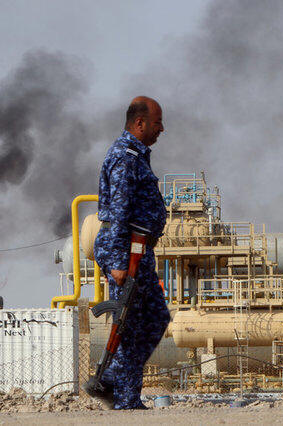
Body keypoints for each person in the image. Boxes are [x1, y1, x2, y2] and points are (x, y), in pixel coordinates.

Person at [91, 96, 170, 409]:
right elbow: (120, 211)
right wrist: (117, 261)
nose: (161, 129)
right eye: (157, 122)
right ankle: (125, 399)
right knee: (128, 323)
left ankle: (111, 380)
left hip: (139, 249)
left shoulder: (137, 155)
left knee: (154, 319)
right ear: (140, 123)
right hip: (127, 251)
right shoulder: (125, 157)